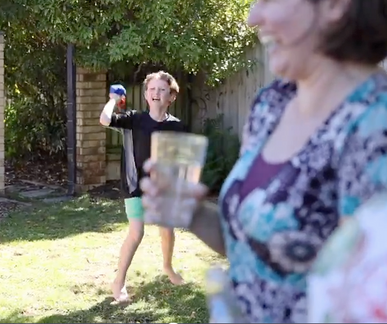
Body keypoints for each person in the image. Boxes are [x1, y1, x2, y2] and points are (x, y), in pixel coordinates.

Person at [140, 0, 387, 322]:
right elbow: (254, 248)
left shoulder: (375, 126)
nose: (253, 18)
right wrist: (194, 213)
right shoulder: (272, 104)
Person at [100, 71, 190, 302]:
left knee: (167, 229)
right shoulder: (134, 119)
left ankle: (168, 268)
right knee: (137, 232)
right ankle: (118, 281)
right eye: (152, 89)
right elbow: (105, 120)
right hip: (135, 185)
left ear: (172, 96)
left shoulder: (177, 127)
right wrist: (112, 100)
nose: (156, 93)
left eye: (162, 89)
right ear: (146, 95)